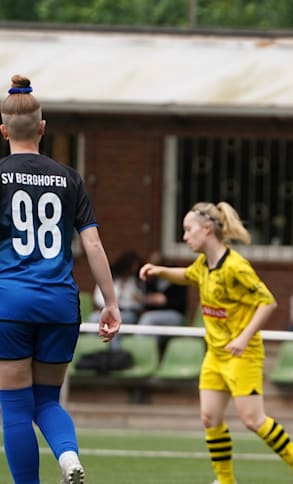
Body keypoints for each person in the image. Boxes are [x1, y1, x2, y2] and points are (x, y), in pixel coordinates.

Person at [138, 201, 293, 484]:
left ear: (207, 230)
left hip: (242, 354)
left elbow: (267, 302)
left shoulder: (236, 267)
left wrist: (243, 338)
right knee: (210, 418)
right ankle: (225, 481)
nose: (184, 236)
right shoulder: (203, 264)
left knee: (253, 420)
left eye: (188, 230)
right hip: (215, 354)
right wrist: (159, 270)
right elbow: (187, 276)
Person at [0, 74, 121, 484]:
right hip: (60, 303)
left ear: (3, 131)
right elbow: (94, 246)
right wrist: (111, 303)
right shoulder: (69, 178)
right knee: (47, 400)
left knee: (15, 407)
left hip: (10, 302)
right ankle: (68, 456)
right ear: (42, 127)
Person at [91, 249, 144, 324]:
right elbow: (98, 299)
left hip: (126, 313)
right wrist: (112, 304)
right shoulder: (108, 278)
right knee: (93, 319)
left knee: (121, 320)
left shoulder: (135, 282)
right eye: (132, 266)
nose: (134, 269)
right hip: (105, 310)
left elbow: (138, 303)